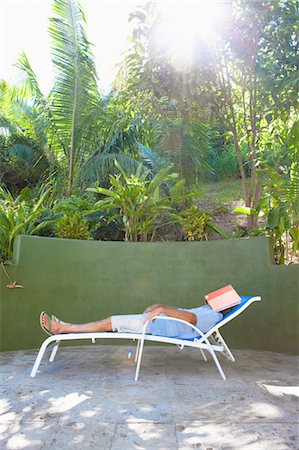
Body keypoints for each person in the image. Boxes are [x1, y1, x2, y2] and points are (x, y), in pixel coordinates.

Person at [40, 301, 228, 339]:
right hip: (156, 321)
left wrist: (161, 309)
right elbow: (182, 312)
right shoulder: (208, 310)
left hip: (155, 325)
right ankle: (65, 327)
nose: (209, 297)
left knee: (109, 322)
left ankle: (62, 329)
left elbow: (190, 318)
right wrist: (160, 306)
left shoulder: (212, 314)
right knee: (109, 324)